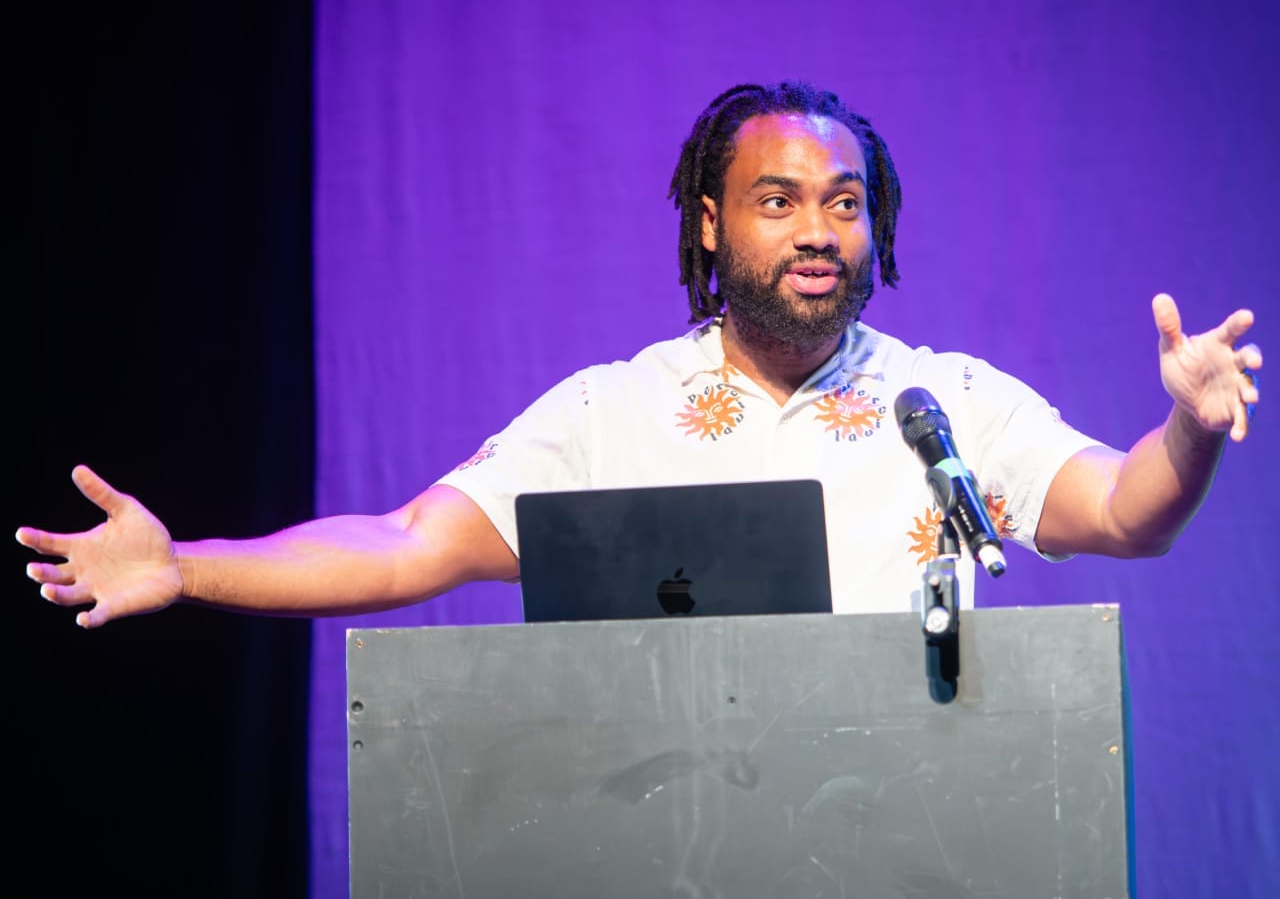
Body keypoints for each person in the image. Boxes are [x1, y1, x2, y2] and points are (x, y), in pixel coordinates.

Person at [16, 81, 1263, 626]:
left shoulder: (946, 403)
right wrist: (185, 565)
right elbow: (405, 544)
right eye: (777, 201)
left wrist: (1189, 433)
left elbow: (1124, 511)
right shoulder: (610, 412)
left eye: (843, 203)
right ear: (710, 223)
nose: (817, 231)